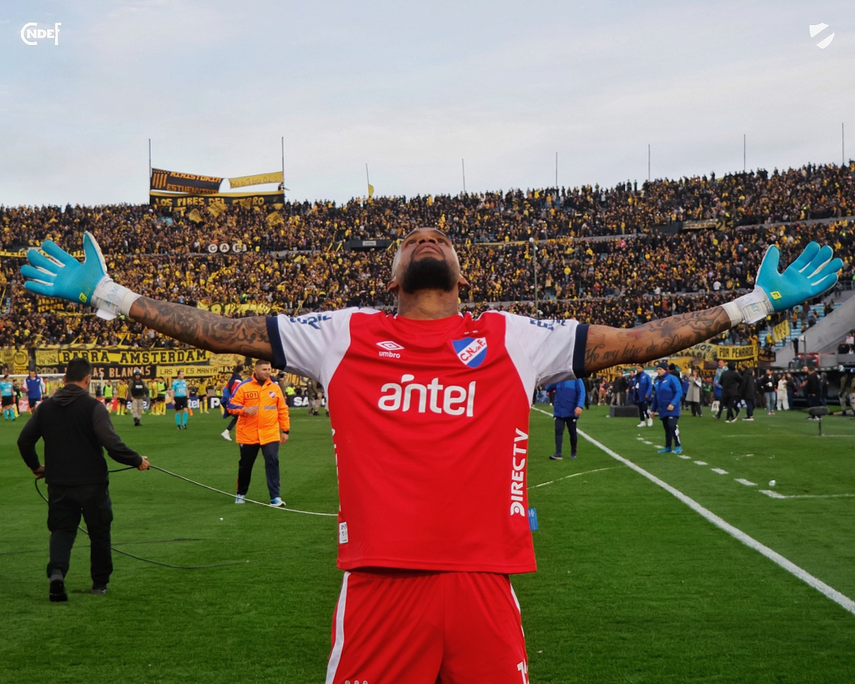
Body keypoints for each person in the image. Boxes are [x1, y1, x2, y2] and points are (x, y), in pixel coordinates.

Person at [21, 230, 842, 682]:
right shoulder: (343, 334)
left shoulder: (512, 337)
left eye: (438, 237)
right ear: (392, 278)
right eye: (411, 239)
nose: (425, 239)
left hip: (484, 582)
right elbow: (218, 330)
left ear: (457, 273)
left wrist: (756, 303)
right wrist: (108, 294)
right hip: (380, 585)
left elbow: (636, 341)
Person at [16, 357, 150, 601]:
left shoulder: (45, 408)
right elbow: (111, 443)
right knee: (99, 532)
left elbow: (24, 440)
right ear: (88, 379)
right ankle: (99, 584)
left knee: (62, 531)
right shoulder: (93, 407)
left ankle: (57, 574)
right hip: (92, 483)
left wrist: (36, 466)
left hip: (59, 483)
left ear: (64, 379)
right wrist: (136, 460)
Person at [228, 360, 290, 507]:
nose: (268, 372)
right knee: (246, 465)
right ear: (256, 370)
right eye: (264, 369)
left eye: (269, 369)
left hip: (270, 433)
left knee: (272, 461)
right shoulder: (244, 386)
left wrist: (285, 429)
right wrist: (244, 410)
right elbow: (230, 405)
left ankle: (275, 497)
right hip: (248, 434)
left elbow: (282, 409)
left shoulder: (275, 387)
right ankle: (241, 494)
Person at [545, 378, 585, 460]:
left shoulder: (576, 379)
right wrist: (553, 378)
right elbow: (548, 387)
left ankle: (573, 452)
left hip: (571, 410)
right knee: (558, 431)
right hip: (559, 410)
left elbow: (582, 392)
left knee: (572, 432)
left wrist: (579, 406)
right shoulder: (559, 378)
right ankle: (558, 453)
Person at [651, 362, 683, 454]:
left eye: (660, 369)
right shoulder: (657, 381)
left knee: (672, 426)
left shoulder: (672, 378)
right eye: (657, 369)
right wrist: (653, 410)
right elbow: (656, 396)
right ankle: (668, 447)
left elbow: (678, 392)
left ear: (665, 370)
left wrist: (673, 403)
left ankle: (678, 445)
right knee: (667, 428)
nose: (658, 371)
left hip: (672, 408)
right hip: (663, 409)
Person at [220, 365, 246, 441]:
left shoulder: (233, 378)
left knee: (239, 416)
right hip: (232, 402)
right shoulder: (237, 379)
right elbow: (235, 391)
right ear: (241, 371)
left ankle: (228, 431)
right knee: (240, 415)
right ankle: (227, 431)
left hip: (229, 401)